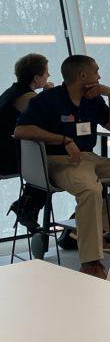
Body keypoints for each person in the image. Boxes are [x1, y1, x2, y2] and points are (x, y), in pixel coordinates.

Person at [14, 55, 110, 278]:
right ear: (82, 75)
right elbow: (21, 130)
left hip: (87, 158)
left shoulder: (93, 100)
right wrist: (63, 140)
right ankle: (91, 261)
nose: (99, 76)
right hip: (57, 161)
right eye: (96, 71)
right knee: (90, 189)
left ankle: (93, 231)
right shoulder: (49, 99)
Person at [2, 54, 54, 233]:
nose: (49, 76)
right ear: (37, 78)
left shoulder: (14, 91)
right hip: (7, 158)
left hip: (7, 151)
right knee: (53, 166)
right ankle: (27, 207)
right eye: (46, 73)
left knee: (46, 160)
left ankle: (26, 205)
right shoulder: (28, 97)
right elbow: (49, 121)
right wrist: (48, 95)